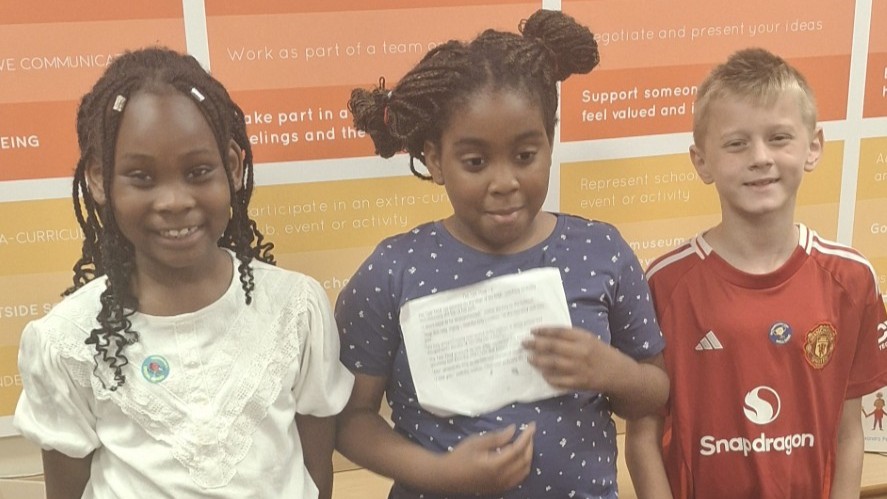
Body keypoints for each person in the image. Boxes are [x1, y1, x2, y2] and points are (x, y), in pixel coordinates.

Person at [335, 9, 669, 499]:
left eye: (525, 156)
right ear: (435, 160)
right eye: (475, 162)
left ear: (550, 141)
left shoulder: (601, 251)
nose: (504, 182)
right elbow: (349, 420)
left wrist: (612, 370)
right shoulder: (393, 271)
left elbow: (655, 391)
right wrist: (437, 473)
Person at [13, 47, 354, 499]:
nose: (174, 201)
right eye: (141, 177)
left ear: (233, 167)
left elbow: (316, 466)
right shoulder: (66, 341)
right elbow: (67, 490)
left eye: (198, 172)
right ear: (98, 180)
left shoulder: (296, 308)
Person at [625, 47, 887, 498]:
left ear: (813, 147)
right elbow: (642, 438)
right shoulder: (664, 285)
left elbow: (848, 433)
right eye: (736, 143)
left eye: (779, 137)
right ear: (701, 161)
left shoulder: (851, 279)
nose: (760, 157)